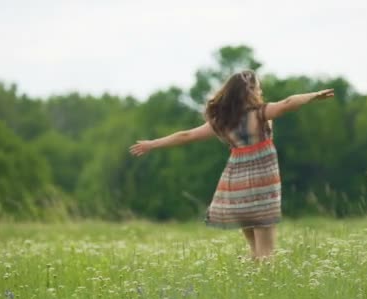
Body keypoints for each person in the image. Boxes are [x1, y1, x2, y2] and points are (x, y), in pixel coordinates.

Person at [129, 70, 334, 260]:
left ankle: (253, 290)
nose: (261, 90)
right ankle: (265, 292)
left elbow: (187, 135)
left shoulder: (223, 121)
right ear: (249, 91)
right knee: (266, 253)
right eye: (258, 87)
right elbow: (288, 103)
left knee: (255, 251)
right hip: (262, 185)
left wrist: (152, 144)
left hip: (236, 187)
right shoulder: (260, 113)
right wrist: (314, 96)